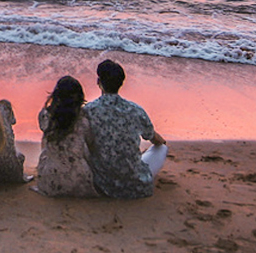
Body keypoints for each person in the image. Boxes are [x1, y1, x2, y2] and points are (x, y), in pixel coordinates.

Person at [83, 58, 167, 199]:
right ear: (121, 84)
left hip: (101, 184)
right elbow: (156, 139)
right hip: (135, 186)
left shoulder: (88, 110)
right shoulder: (135, 110)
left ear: (99, 83)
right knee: (162, 148)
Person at [31, 75, 96, 197]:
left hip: (51, 180)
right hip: (80, 181)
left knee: (47, 142)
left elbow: (44, 129)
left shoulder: (45, 115)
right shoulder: (84, 118)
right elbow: (91, 142)